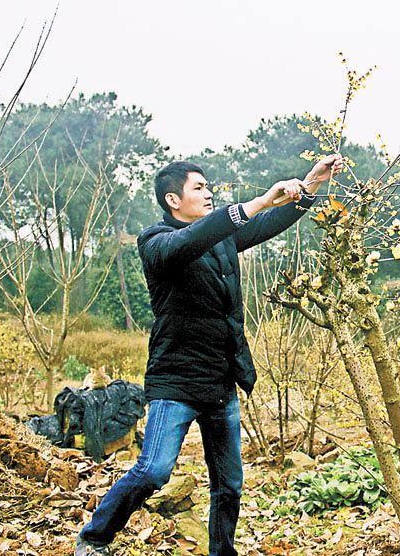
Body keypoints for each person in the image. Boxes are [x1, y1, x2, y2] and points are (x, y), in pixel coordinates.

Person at [75, 154, 344, 556]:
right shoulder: (156, 243)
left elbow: (268, 224)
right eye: (198, 188)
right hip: (177, 381)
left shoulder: (221, 239)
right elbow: (193, 239)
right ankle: (94, 539)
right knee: (153, 470)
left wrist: (310, 185)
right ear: (172, 199)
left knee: (229, 484)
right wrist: (259, 201)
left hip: (221, 380)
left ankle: (222, 552)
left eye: (207, 186)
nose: (208, 193)